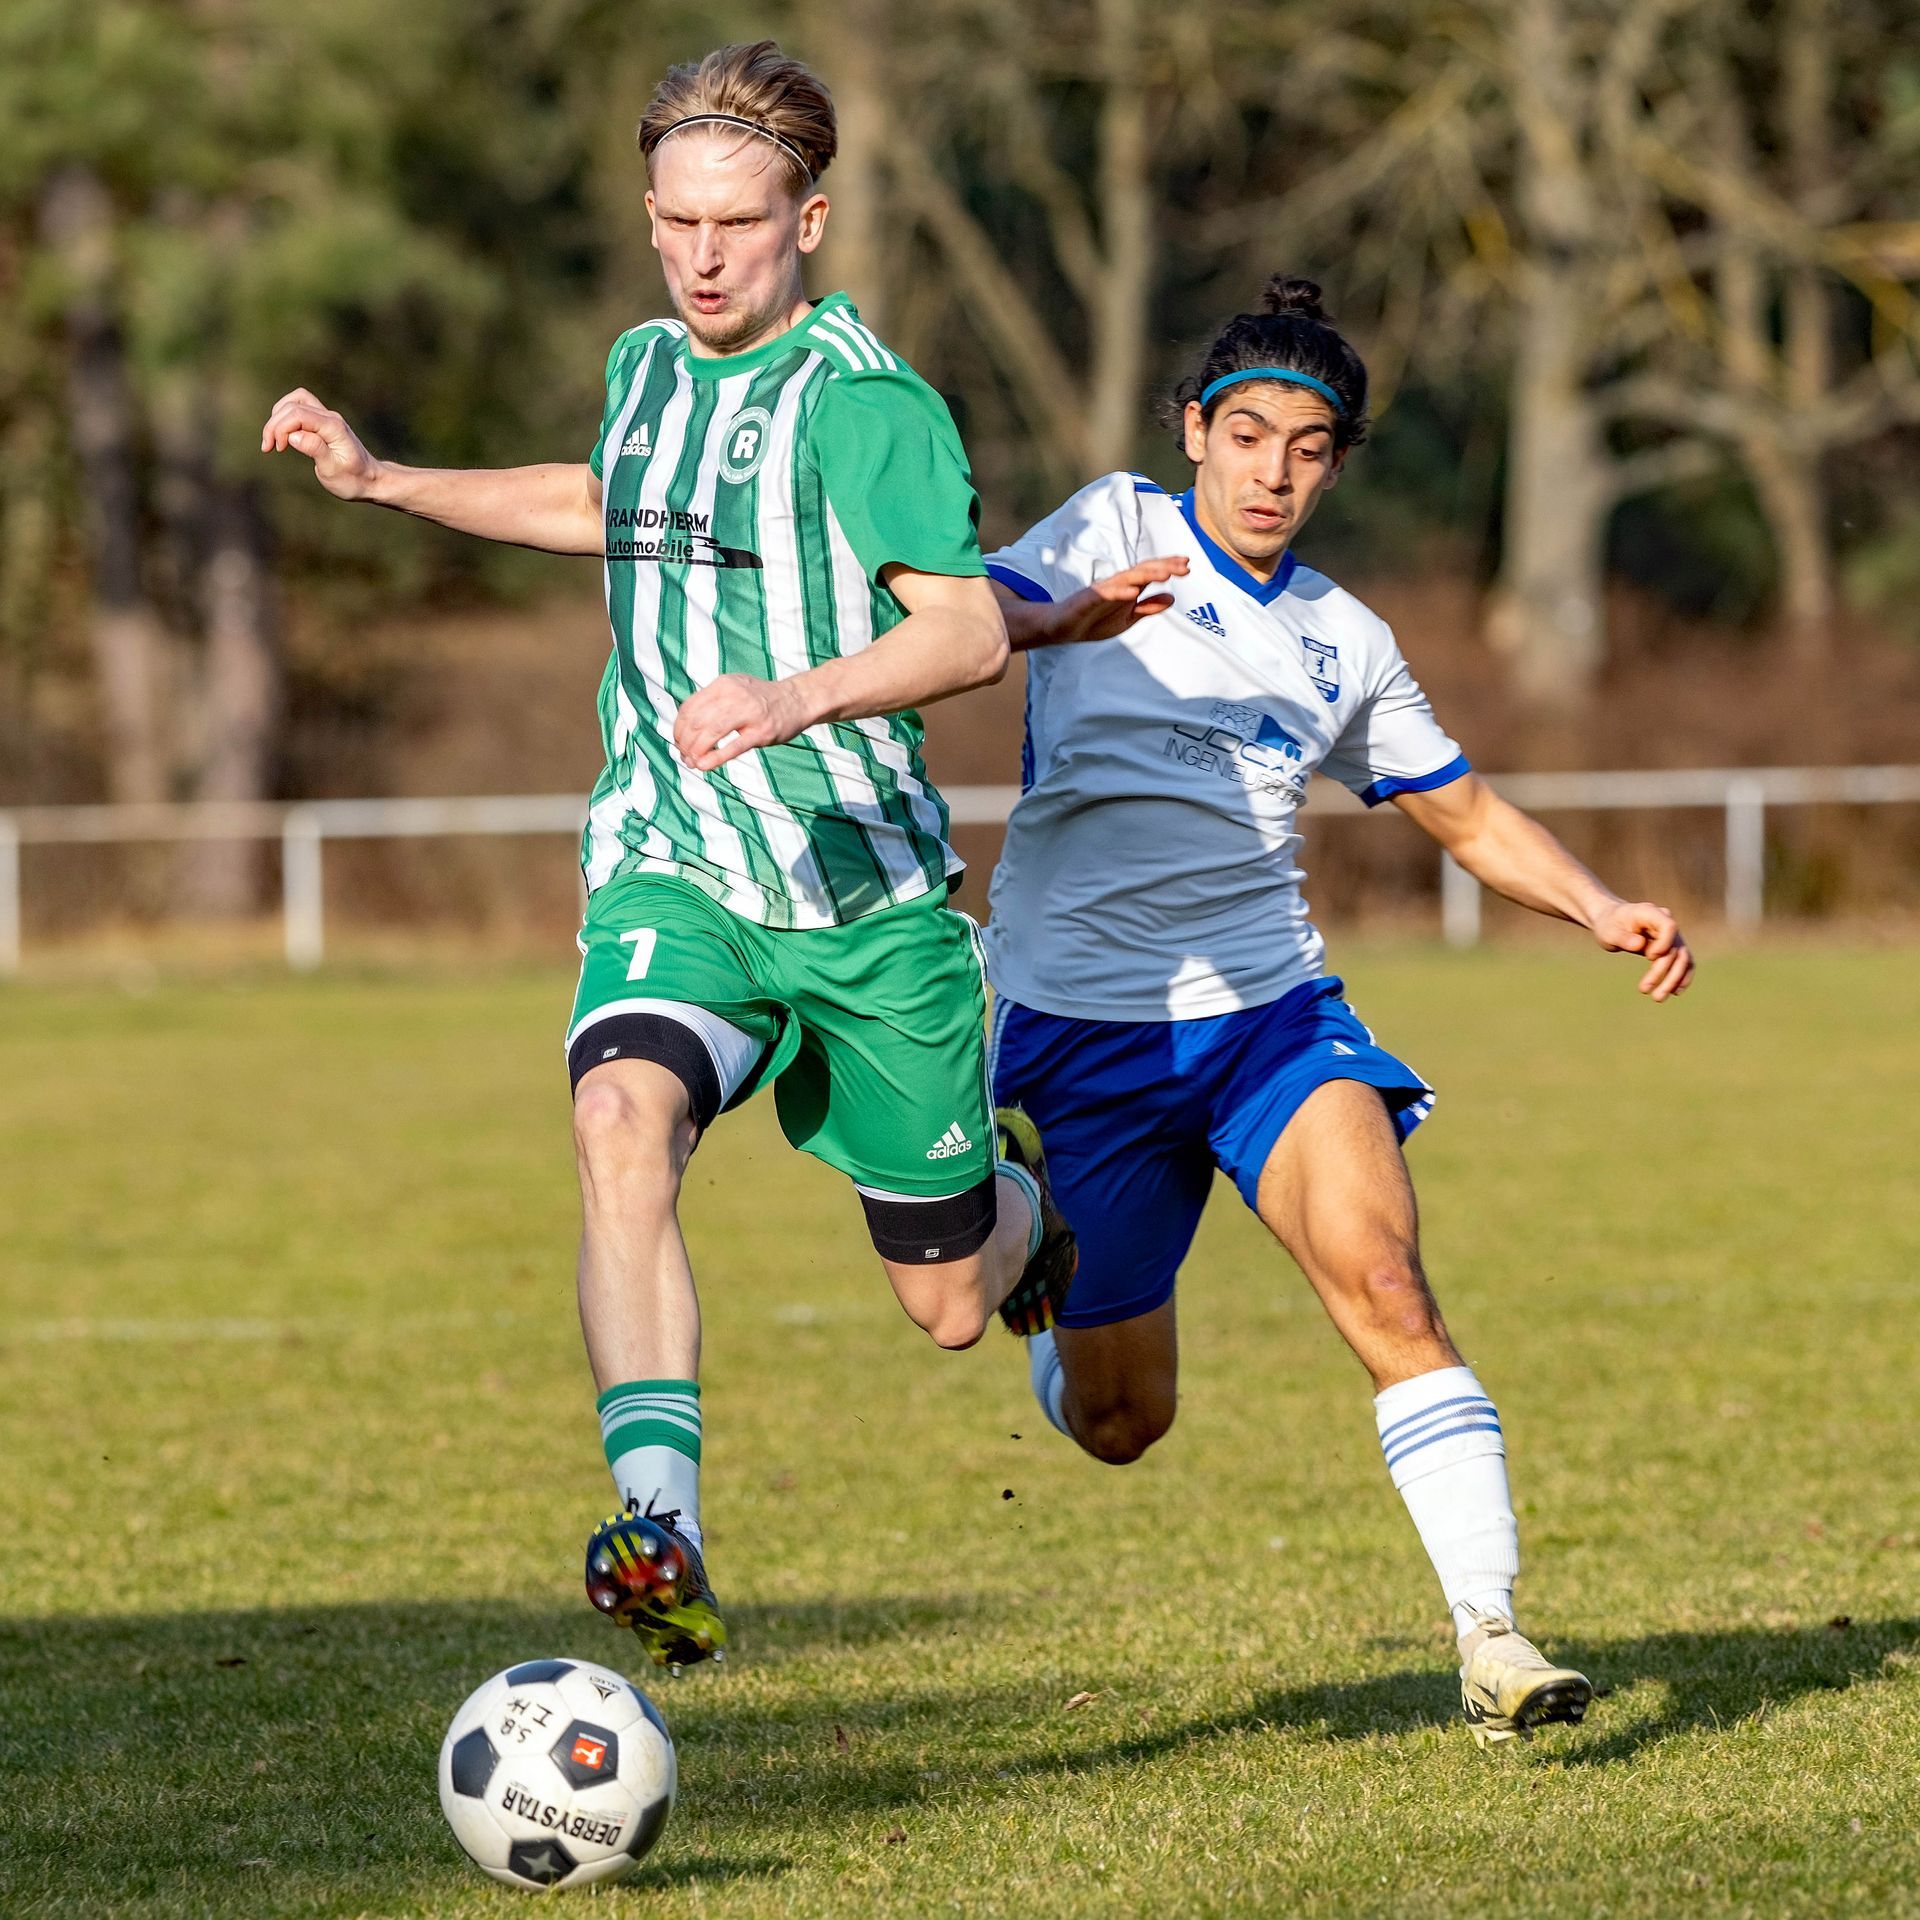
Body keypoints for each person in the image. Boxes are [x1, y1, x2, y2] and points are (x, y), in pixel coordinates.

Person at [262, 40, 1075, 1674]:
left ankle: (1024, 1209)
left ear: (809, 223)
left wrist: (794, 695)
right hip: (674, 860)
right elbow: (602, 500)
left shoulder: (865, 406)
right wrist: (382, 479)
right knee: (616, 1118)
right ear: (648, 217)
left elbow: (970, 630)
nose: (706, 258)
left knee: (947, 1304)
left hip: (862, 901)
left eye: (740, 226)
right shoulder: (643, 368)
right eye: (679, 224)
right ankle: (663, 1531)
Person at [980, 275, 1694, 1747]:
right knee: (1121, 1422)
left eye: (1309, 451)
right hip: (1080, 1034)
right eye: (1248, 436)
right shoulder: (1109, 527)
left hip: (1271, 1020)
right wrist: (1047, 622)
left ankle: (1490, 1634)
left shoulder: (1342, 637)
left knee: (1385, 1283)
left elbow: (1463, 810)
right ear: (1195, 431)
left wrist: (1596, 903)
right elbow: (960, 619)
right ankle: (1037, 1265)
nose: (1274, 474)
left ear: (1337, 466)